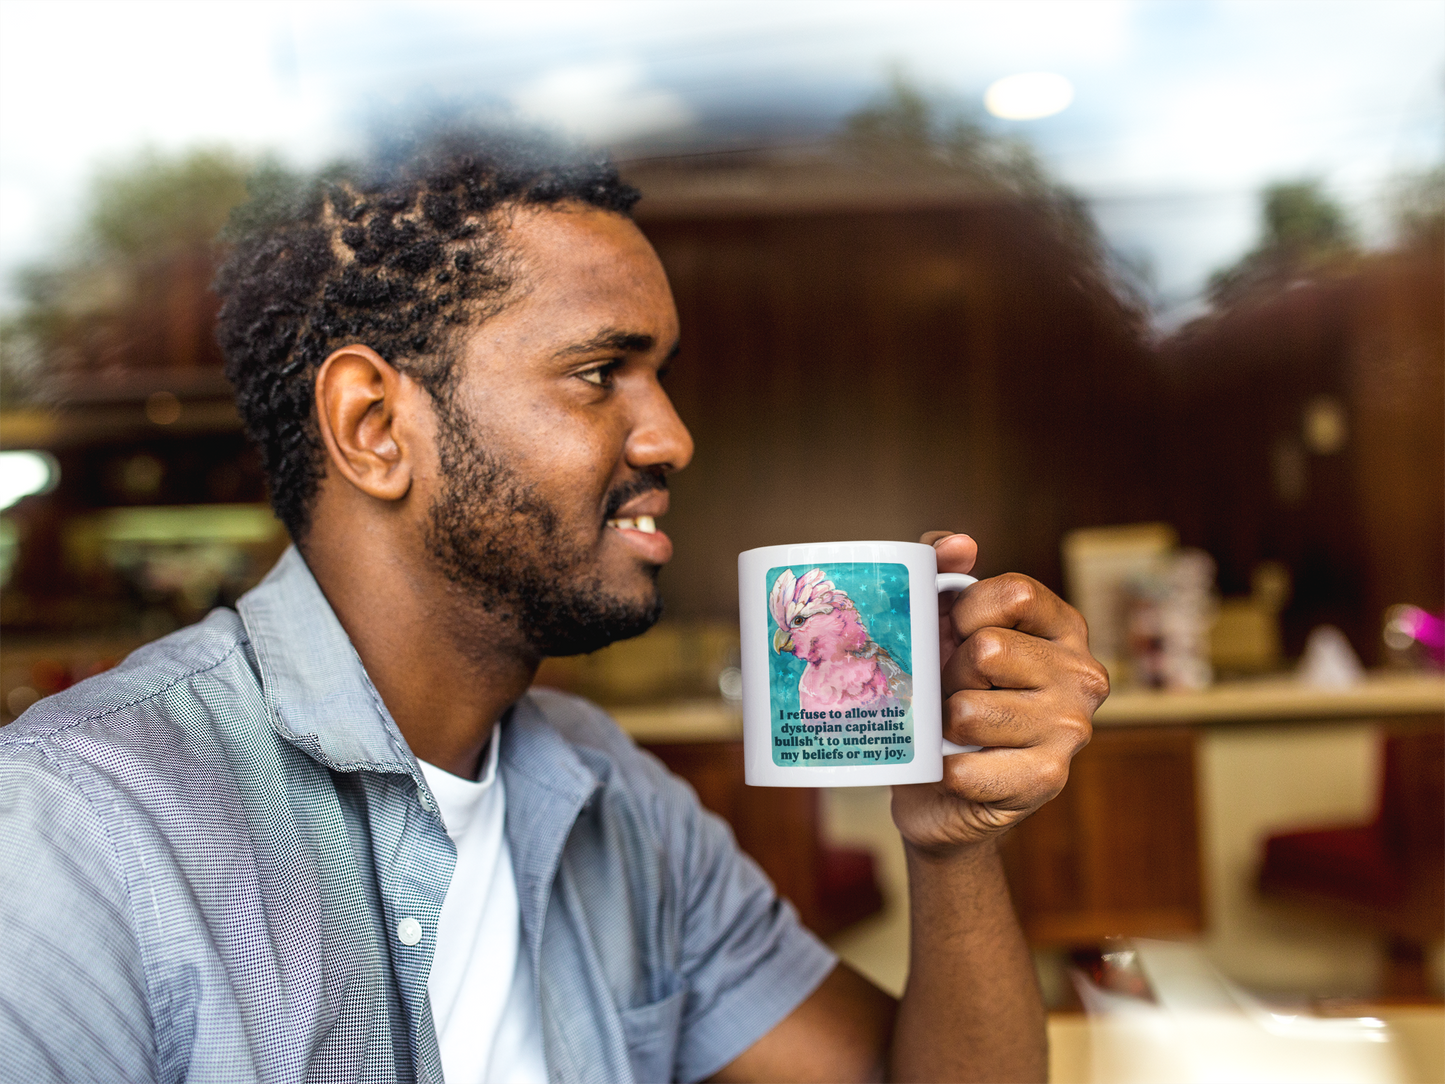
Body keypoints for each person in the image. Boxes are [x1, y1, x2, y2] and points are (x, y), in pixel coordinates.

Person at [0, 132, 1106, 1084]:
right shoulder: (77, 831)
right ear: (374, 427)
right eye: (597, 371)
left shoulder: (616, 800)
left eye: (659, 374)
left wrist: (952, 843)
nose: (671, 437)